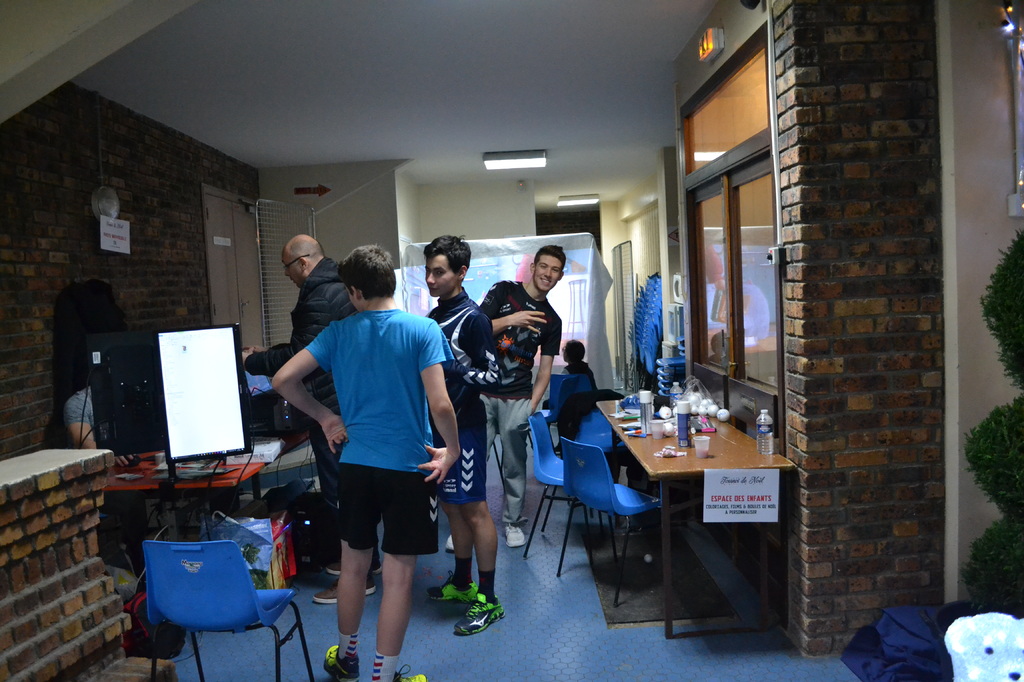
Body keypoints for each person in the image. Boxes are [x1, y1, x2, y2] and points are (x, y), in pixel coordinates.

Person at [272, 244, 459, 682]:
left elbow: (283, 380)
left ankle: (347, 657)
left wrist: (325, 417)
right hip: (409, 469)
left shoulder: (339, 332)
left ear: (355, 291)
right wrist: (451, 450)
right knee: (397, 577)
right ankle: (382, 674)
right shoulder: (422, 330)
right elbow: (441, 405)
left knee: (354, 568)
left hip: (355, 467)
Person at [241, 234, 378, 604]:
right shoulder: (338, 286)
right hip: (349, 401)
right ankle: (369, 563)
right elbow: (308, 346)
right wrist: (272, 352)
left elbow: (303, 356)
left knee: (340, 494)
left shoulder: (319, 295)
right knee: (351, 490)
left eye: (287, 267)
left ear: (303, 263)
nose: (286, 275)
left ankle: (358, 578)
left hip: (333, 408)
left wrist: (254, 361)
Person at [421, 236, 504, 636]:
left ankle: (488, 599)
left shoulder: (474, 319)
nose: (430, 279)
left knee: (474, 510)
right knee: (452, 508)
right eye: (428, 271)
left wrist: (450, 368)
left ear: (461, 273)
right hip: (438, 429)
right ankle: (462, 582)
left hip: (466, 427)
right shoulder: (434, 316)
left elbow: (493, 377)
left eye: (439, 272)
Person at [479, 244, 565, 548]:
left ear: (560, 276)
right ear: (533, 267)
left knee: (515, 466)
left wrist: (532, 405)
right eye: (544, 266)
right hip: (482, 392)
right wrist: (511, 320)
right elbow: (475, 329)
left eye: (555, 270)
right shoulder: (504, 291)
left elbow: (545, 370)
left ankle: (513, 522)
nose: (548, 274)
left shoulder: (552, 320)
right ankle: (466, 525)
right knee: (473, 461)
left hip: (518, 398)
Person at [63, 387, 148, 575]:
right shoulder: (79, 403)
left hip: (129, 474)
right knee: (134, 501)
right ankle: (138, 561)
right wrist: (112, 451)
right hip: (92, 485)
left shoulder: (126, 393)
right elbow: (84, 443)